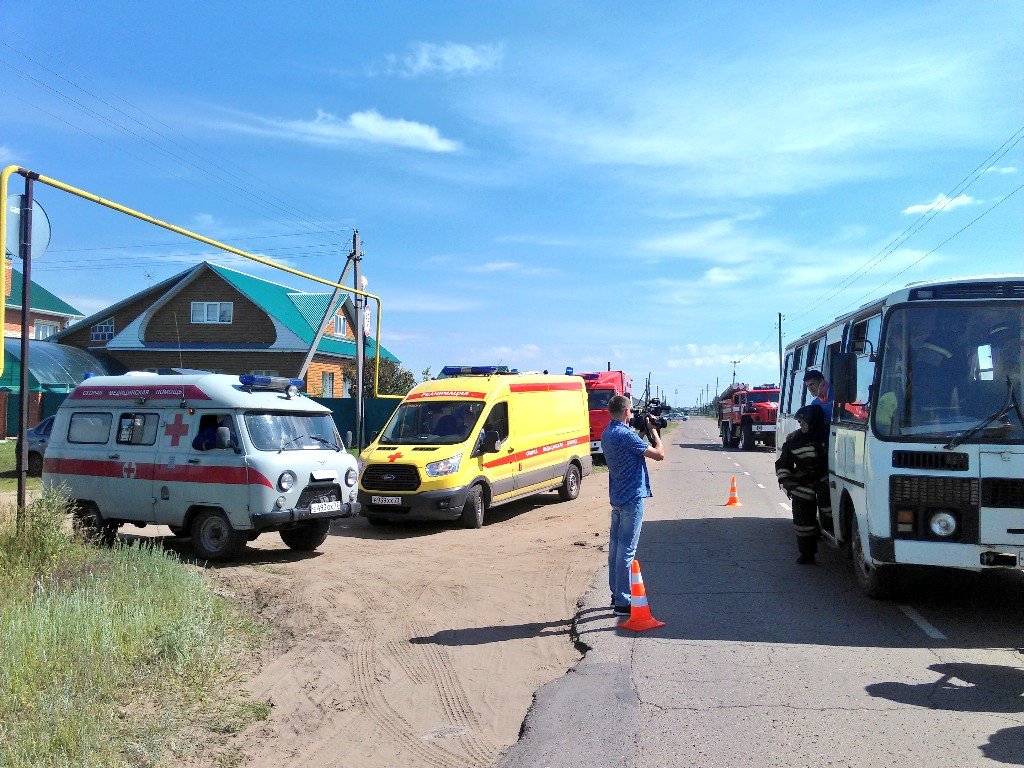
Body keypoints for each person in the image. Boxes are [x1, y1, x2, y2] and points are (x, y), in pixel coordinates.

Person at [601, 395, 666, 616]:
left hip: (618, 496)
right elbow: (659, 454)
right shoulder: (625, 435)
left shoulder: (608, 433)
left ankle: (615, 594)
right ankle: (623, 601)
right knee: (627, 550)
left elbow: (632, 447)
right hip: (632, 498)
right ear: (627, 412)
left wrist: (640, 431)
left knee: (615, 550)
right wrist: (653, 431)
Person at [775, 404, 829, 565]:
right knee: (803, 523)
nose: (801, 425)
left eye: (803, 422)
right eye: (799, 423)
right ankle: (807, 554)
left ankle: (830, 536)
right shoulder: (794, 442)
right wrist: (787, 483)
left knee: (830, 516)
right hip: (802, 488)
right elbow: (783, 465)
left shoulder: (829, 436)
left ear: (814, 422)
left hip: (825, 487)